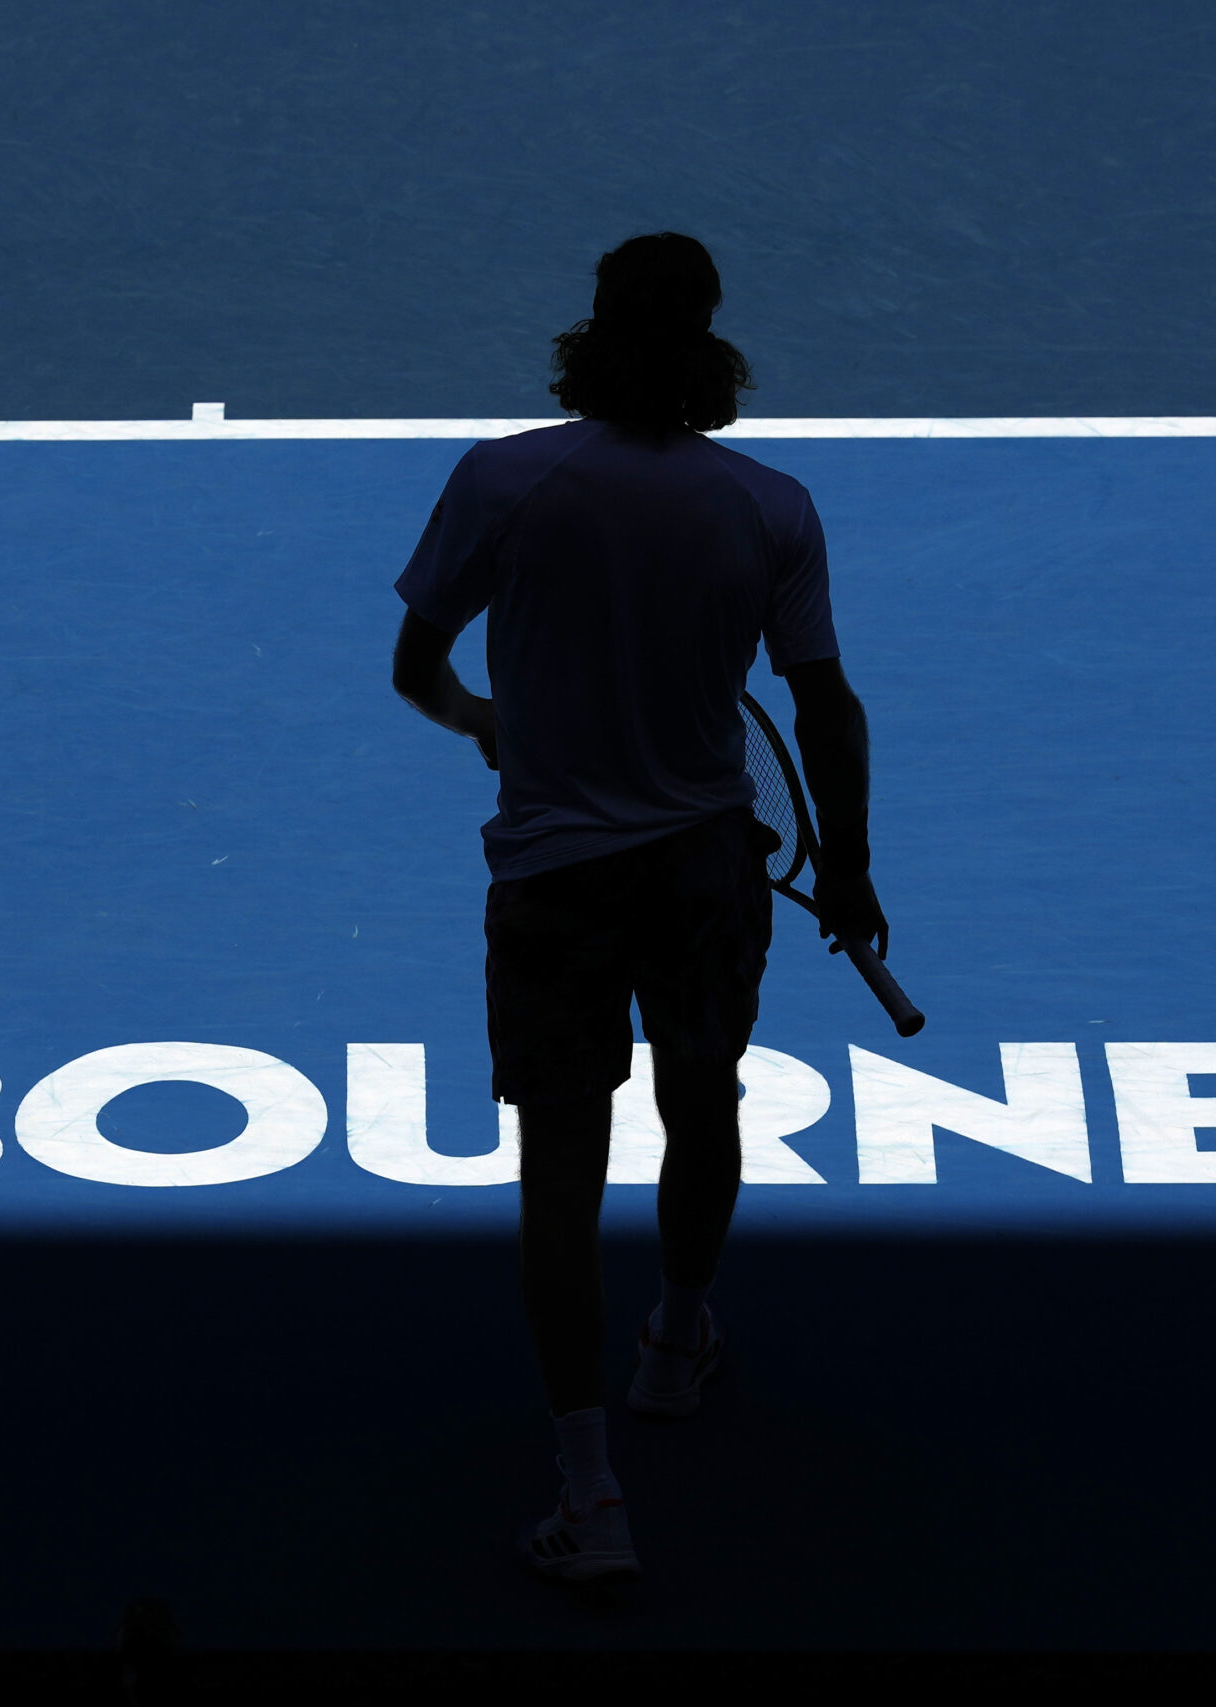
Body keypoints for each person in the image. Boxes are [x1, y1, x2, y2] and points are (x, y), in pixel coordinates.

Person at [390, 232, 887, 1582]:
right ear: (712, 338)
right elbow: (822, 704)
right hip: (704, 869)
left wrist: (485, 720)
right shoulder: (770, 506)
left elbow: (414, 669)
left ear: (591, 331)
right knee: (703, 1107)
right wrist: (845, 866)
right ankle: (675, 1344)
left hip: (553, 878)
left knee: (560, 1175)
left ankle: (592, 1496)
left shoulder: (505, 481)